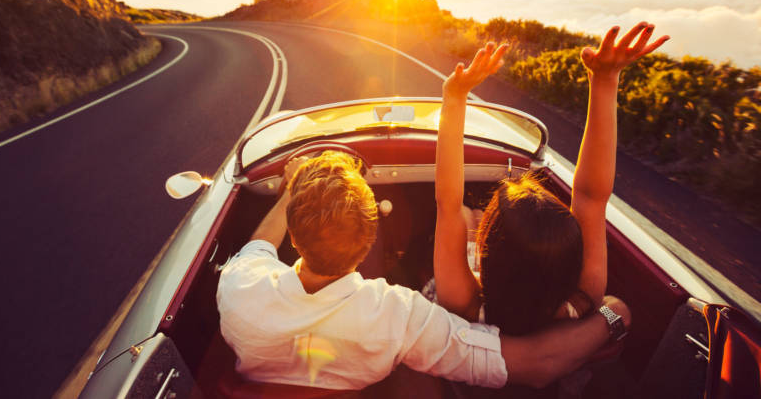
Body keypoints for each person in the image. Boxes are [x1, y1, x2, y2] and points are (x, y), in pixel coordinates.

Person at [217, 149, 632, 391]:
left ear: (293, 237)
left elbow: (259, 245)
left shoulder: (238, 286)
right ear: (370, 241)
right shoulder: (399, 316)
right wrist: (613, 314)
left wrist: (292, 190)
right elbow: (536, 365)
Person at [433, 22, 668, 334]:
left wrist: (454, 96)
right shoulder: (584, 300)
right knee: (464, 214)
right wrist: (606, 80)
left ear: (484, 256)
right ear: (570, 267)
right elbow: (590, 197)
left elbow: (448, 204)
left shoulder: (463, 304)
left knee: (464, 214)